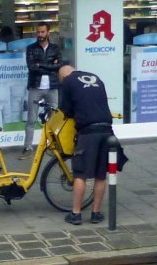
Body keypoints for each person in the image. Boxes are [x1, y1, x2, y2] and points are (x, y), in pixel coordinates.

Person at [59, 65, 113, 226]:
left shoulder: (68, 82)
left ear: (63, 77)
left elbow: (65, 110)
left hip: (88, 132)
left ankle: (76, 214)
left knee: (80, 175)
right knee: (101, 174)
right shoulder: (96, 78)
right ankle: (96, 213)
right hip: (107, 131)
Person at [19, 21, 62, 159]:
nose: (40, 34)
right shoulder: (31, 48)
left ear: (48, 32)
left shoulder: (55, 48)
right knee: (31, 119)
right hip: (35, 87)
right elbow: (32, 67)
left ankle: (55, 145)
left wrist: (41, 65)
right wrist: (50, 65)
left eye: (43, 32)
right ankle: (27, 147)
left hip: (52, 87)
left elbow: (59, 66)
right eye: (38, 32)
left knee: (54, 118)